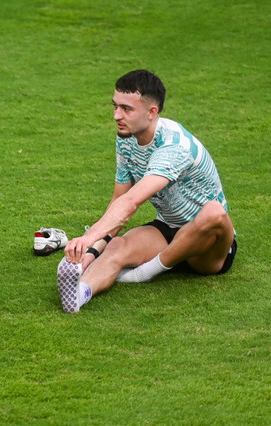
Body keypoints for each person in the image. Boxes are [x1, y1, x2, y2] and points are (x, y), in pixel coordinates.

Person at [57, 69, 237, 313]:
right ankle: (80, 294)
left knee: (214, 212)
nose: (116, 116)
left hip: (208, 242)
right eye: (115, 106)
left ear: (152, 112)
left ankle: (145, 273)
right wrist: (91, 252)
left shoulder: (174, 146)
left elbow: (131, 202)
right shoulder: (126, 138)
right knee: (117, 246)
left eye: (126, 109)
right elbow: (118, 200)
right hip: (169, 227)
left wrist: (87, 238)